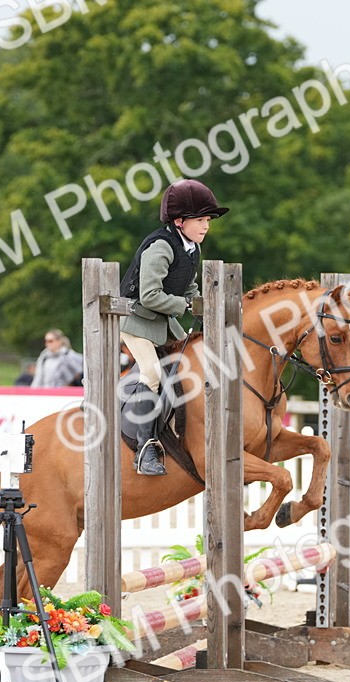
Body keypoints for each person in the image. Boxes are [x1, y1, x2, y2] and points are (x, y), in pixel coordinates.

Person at [119, 178, 227, 475]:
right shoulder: (161, 247)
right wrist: (187, 306)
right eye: (200, 220)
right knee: (153, 374)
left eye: (208, 220)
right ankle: (145, 449)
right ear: (179, 220)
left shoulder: (191, 248)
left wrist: (208, 306)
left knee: (188, 364)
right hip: (136, 321)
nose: (206, 226)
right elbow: (149, 295)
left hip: (161, 321)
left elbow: (188, 287)